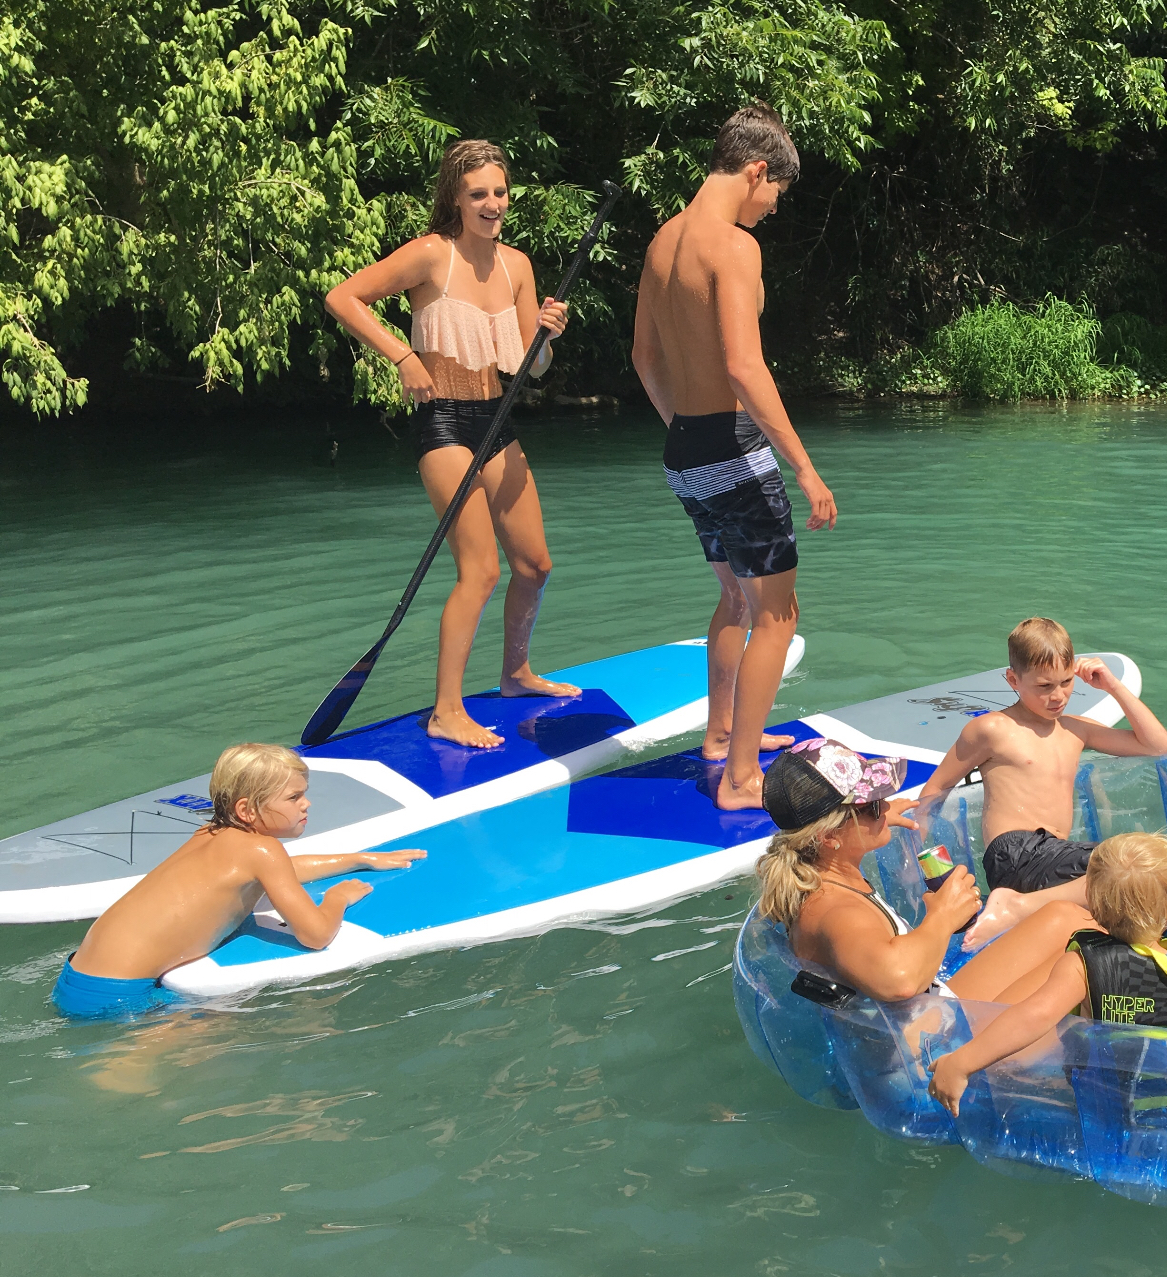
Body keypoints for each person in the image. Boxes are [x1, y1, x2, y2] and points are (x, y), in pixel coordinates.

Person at [325, 139, 575, 749]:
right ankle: (446, 710)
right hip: (442, 423)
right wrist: (404, 356)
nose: (492, 204)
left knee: (535, 564)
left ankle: (515, 673)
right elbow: (342, 298)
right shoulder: (430, 256)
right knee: (480, 569)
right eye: (477, 194)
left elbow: (530, 368)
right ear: (456, 199)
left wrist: (546, 336)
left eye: (499, 191)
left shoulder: (516, 265)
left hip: (498, 417)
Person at [631, 104, 837, 810]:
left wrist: (688, 429)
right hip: (734, 448)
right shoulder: (733, 246)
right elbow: (746, 368)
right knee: (778, 614)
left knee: (733, 599)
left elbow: (644, 357)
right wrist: (805, 467)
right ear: (757, 170)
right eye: (775, 193)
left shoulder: (662, 242)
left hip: (684, 450)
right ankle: (743, 780)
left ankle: (721, 738)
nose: (773, 209)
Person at [52, 745, 424, 1019]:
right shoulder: (263, 850)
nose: (306, 804)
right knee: (237, 1029)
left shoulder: (208, 834)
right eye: (294, 797)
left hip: (76, 978)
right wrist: (337, 898)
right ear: (247, 810)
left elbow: (281, 872)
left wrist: (357, 859)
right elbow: (315, 936)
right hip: (120, 997)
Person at [903, 617, 1167, 950]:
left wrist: (1112, 685)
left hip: (1053, 858)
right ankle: (1013, 906)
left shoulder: (1076, 729)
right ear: (1013, 680)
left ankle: (1025, 909)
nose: (1058, 696)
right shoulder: (993, 729)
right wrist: (912, 857)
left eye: (1066, 682)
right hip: (1015, 853)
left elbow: (1157, 745)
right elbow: (936, 788)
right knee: (1145, 868)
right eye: (1044, 686)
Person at [929, 833, 1167, 1116]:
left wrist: (961, 1063)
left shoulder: (1082, 966)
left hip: (1102, 1118)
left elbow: (1033, 1016)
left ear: (1093, 904)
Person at [757, 739, 976, 1001]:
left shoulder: (816, 873)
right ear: (828, 836)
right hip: (932, 1035)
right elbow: (900, 981)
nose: (885, 806)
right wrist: (944, 916)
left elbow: (849, 822)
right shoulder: (838, 912)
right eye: (872, 805)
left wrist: (876, 816)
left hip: (922, 1013)